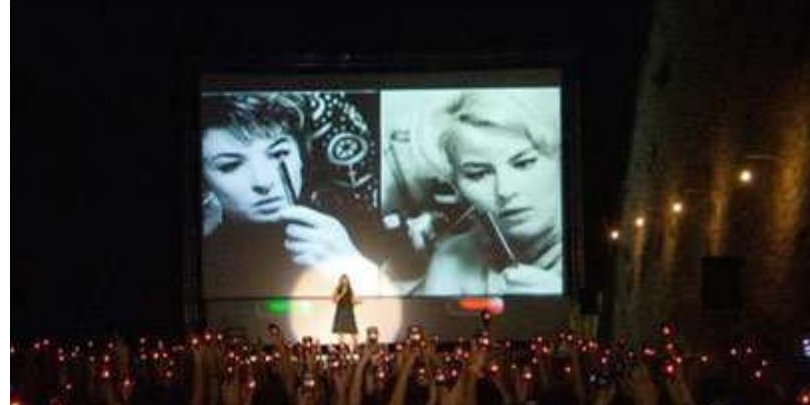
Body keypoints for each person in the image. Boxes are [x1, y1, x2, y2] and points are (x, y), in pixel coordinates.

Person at [200, 93, 390, 298]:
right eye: (230, 165)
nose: (263, 182)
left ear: (301, 156)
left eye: (279, 153)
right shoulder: (205, 261)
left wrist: (355, 268)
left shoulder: (361, 229)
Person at [419, 91, 563, 297]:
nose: (504, 190)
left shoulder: (607, 252)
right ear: (457, 187)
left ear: (559, 160)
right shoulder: (450, 260)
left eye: (524, 163)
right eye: (477, 174)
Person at [330, 273, 360, 347]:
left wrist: (357, 301)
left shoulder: (350, 289)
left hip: (349, 311)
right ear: (341, 281)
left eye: (346, 279)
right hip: (341, 310)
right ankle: (341, 348)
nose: (345, 281)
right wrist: (342, 294)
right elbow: (334, 300)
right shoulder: (338, 289)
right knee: (340, 332)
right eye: (343, 279)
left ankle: (356, 348)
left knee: (353, 331)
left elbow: (352, 300)